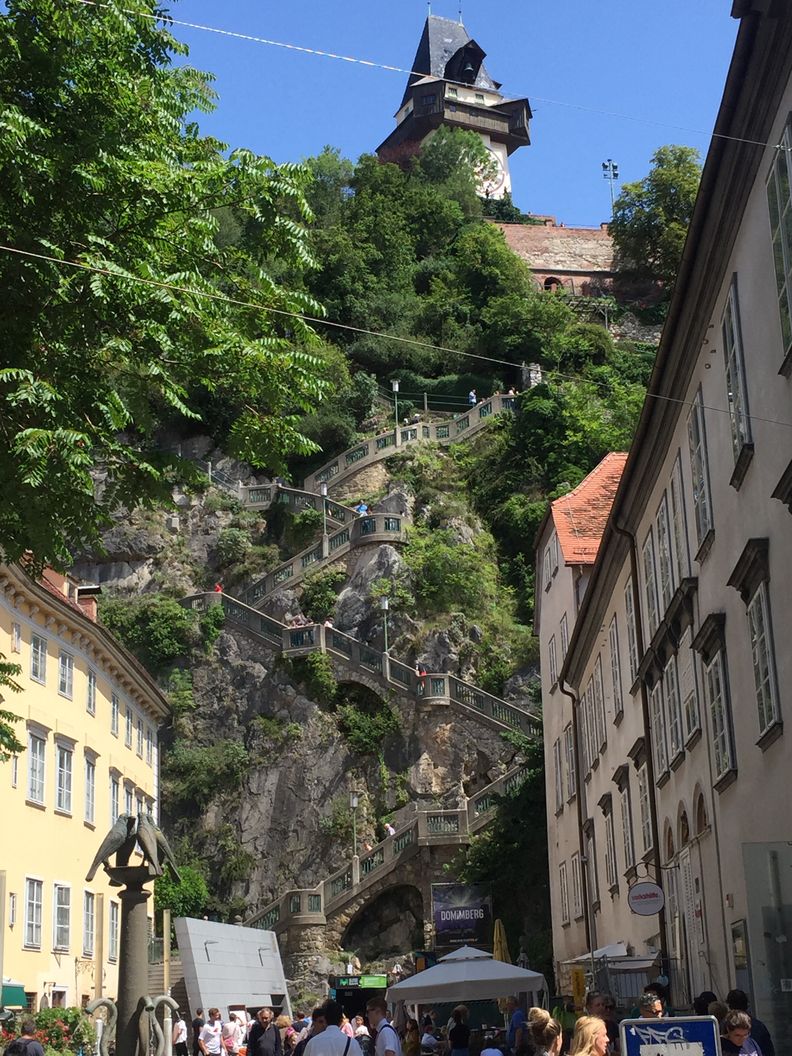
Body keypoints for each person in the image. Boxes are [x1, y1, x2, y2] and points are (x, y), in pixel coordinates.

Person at [726, 990, 774, 1056]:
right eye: (737, 1035)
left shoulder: (752, 1042)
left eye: (746, 1034)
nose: (742, 1039)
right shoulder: (759, 1026)